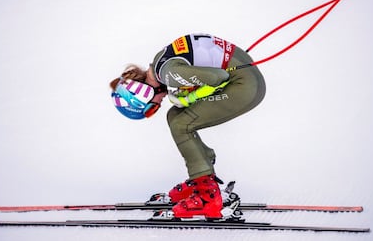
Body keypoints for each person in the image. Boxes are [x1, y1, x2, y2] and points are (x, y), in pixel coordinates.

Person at [110, 33, 266, 218]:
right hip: (243, 79)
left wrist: (190, 96)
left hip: (245, 86)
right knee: (175, 115)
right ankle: (203, 180)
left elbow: (219, 76)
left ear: (143, 93)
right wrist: (188, 91)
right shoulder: (160, 65)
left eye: (151, 108)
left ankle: (207, 196)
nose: (158, 105)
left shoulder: (168, 74)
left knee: (181, 125)